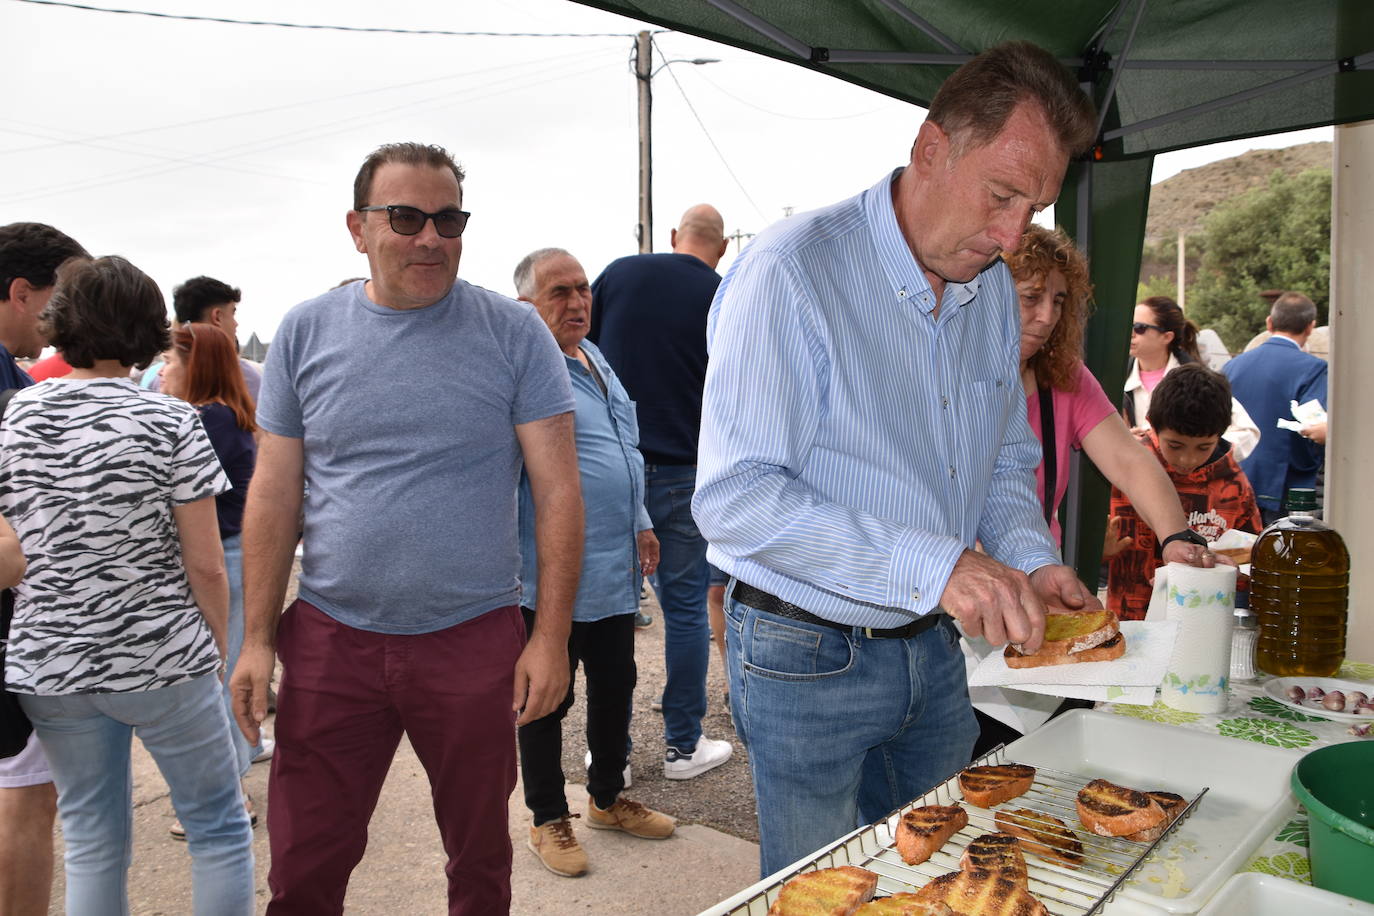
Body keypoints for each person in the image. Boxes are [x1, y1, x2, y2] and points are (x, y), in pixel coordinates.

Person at [694, 41, 1100, 876]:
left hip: (934, 647)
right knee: (822, 888)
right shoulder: (791, 272)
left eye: (1033, 208)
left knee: (942, 875)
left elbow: (1001, 460)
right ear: (930, 148)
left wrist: (1032, 560)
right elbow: (736, 498)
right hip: (804, 649)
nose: (1011, 235)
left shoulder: (991, 288)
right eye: (1001, 195)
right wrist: (939, 564)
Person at [231, 141, 583, 915]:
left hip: (473, 638)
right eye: (406, 218)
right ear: (358, 228)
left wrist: (550, 638)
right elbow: (275, 493)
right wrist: (256, 638)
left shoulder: (514, 333)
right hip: (332, 638)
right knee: (303, 865)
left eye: (448, 220)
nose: (431, 238)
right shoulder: (305, 331)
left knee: (480, 860)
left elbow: (559, 493)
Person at [0, 255, 254, 915]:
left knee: (92, 839)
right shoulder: (170, 420)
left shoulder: (17, 415)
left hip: (51, 662)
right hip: (162, 654)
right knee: (218, 828)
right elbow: (205, 563)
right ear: (149, 327)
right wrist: (213, 649)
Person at [971, 226, 1210, 753]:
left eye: (1059, 301)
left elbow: (1129, 460)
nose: (1047, 316)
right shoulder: (949, 379)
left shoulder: (1065, 379)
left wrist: (1176, 537)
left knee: (1058, 746)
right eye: (1031, 297)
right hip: (960, 608)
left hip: (1041, 593)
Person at [512, 247, 674, 878]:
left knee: (616, 686)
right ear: (527, 305)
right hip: (549, 572)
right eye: (560, 292)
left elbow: (622, 448)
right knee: (546, 696)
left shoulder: (594, 357)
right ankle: (547, 817)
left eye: (582, 289)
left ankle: (605, 799)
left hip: (611, 567)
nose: (578, 301)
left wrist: (640, 521)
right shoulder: (524, 369)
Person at [589, 204, 733, 780]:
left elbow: (581, 352)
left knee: (610, 615)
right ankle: (683, 747)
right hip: (685, 473)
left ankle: (611, 756)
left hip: (615, 470)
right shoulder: (723, 294)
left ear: (674, 236)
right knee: (687, 611)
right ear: (721, 248)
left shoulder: (621, 273)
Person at [0, 220, 87, 916]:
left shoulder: (18, 379)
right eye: (61, 300)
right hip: (14, 632)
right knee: (26, 800)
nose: (63, 323)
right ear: (22, 292)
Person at [160, 322, 266, 838]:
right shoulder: (225, 414)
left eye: (169, 361)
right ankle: (239, 770)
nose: (161, 372)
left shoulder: (206, 420)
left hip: (223, 555)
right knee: (226, 670)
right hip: (233, 551)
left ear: (194, 364)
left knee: (217, 675)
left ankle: (232, 794)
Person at [1107, 364, 1263, 618]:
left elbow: (1252, 558)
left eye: (1203, 448)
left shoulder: (1234, 485)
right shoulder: (1125, 471)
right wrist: (1100, 553)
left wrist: (1234, 570)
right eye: (1175, 445)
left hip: (1204, 622)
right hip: (1130, 622)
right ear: (1152, 424)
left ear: (1221, 434)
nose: (1187, 459)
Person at [1221, 291, 1329, 526]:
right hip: (1287, 485)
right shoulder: (1314, 369)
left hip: (1236, 479)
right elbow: (1314, 423)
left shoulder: (1232, 366)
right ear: (1310, 327)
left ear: (1269, 323)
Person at [1122, 295, 1259, 460]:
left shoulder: (1197, 381)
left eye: (1139, 327)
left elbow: (1248, 432)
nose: (1130, 333)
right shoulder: (1115, 379)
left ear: (1167, 336)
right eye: (1128, 325)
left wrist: (1201, 452)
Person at [141, 276, 262, 400]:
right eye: (232, 314)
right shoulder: (246, 377)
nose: (235, 324)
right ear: (217, 317)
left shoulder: (156, 379)